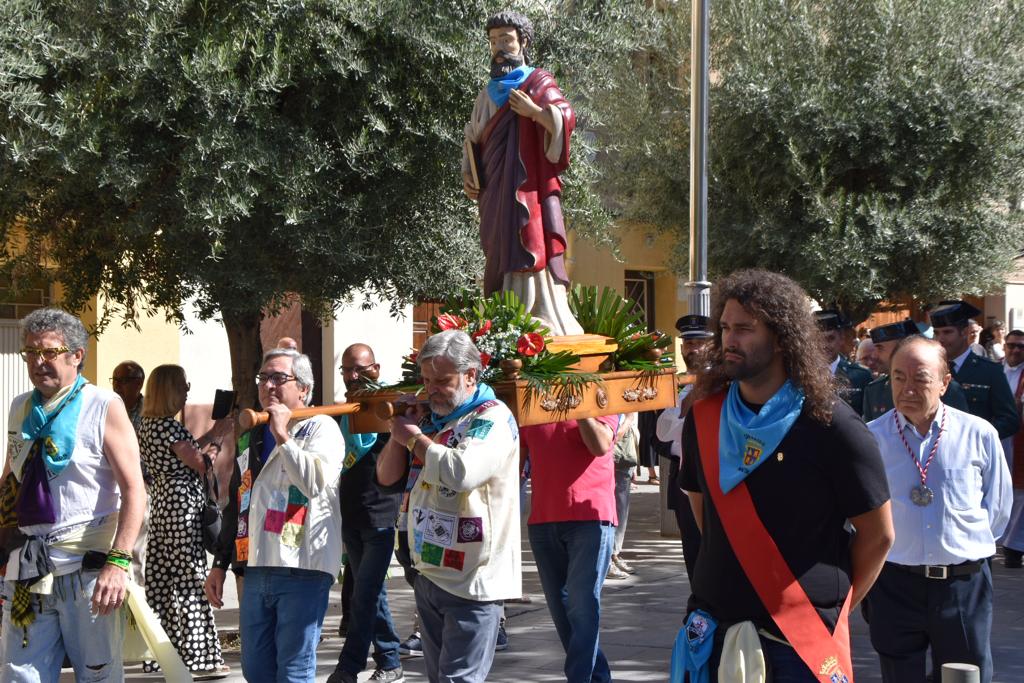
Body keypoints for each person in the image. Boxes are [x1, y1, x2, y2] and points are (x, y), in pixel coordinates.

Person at [677, 270, 893, 682]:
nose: (729, 340)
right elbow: (705, 515)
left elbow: (879, 534)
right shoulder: (702, 418)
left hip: (800, 643)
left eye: (744, 329)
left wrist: (831, 612)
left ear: (780, 337)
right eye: (724, 327)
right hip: (715, 629)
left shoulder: (833, 425)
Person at [1, 308, 146, 681]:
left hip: (89, 573)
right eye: (30, 352)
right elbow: (10, 483)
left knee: (97, 675)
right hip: (28, 570)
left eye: (48, 352)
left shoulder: (103, 406)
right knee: (20, 674)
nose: (37, 361)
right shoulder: (20, 408)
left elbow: (135, 491)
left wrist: (118, 562)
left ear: (76, 355)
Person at [376, 330, 521, 683]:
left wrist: (412, 436)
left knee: (459, 679)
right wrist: (401, 434)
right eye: (426, 380)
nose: (431, 389)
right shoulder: (432, 421)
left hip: (473, 578)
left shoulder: (491, 417)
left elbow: (461, 472)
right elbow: (385, 476)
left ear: (471, 375)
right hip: (429, 569)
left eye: (442, 380)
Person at [865, 335, 1011, 683]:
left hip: (962, 586)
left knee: (966, 675)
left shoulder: (978, 434)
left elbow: (998, 509)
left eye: (921, 378)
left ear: (945, 383)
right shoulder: (872, 438)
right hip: (895, 584)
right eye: (899, 377)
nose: (907, 388)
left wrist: (958, 544)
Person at [204, 348, 344, 683]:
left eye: (279, 378)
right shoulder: (254, 434)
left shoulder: (322, 428)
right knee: (257, 670)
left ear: (304, 389)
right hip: (256, 567)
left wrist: (284, 436)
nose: (268, 385)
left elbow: (312, 482)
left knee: (293, 670)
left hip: (302, 568)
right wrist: (221, 564)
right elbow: (240, 501)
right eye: (263, 378)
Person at [461, 10, 583, 335]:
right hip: (495, 189)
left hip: (529, 185)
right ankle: (504, 316)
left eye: (506, 40)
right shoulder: (487, 94)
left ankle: (539, 311)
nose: (499, 48)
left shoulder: (538, 81)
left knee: (529, 236)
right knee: (498, 244)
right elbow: (474, 137)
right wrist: (469, 173)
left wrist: (535, 112)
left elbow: (565, 116)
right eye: (494, 41)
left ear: (523, 42)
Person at [139, 364, 229, 677]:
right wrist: (220, 436)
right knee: (191, 580)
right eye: (184, 385)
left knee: (162, 583)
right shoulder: (169, 426)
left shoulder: (150, 424)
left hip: (162, 506)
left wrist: (210, 434)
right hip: (182, 508)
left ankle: (164, 656)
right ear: (170, 390)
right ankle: (202, 659)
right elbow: (201, 462)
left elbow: (187, 448)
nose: (188, 390)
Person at [520, 408, 620, 682]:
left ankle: (580, 678)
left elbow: (600, 445)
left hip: (590, 518)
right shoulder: (532, 403)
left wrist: (581, 409)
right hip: (542, 519)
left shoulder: (602, 401)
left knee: (582, 606)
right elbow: (515, 463)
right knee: (562, 611)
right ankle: (596, 676)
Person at [327, 344, 404, 683]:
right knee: (372, 593)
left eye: (358, 369)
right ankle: (389, 660)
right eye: (346, 370)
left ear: (376, 368)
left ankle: (349, 666)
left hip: (382, 519)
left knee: (364, 594)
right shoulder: (341, 413)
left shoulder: (392, 411)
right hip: (351, 517)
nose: (352, 376)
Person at [657, 314, 713, 582]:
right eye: (688, 343)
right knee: (693, 553)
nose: (693, 349)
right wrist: (692, 396)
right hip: (685, 480)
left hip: (718, 480)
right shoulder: (679, 386)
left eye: (700, 343)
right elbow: (663, 431)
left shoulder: (729, 382)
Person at [931, 300, 1019, 440]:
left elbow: (1009, 421)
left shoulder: (990, 371)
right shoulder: (930, 369)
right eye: (936, 333)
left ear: (965, 332)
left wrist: (975, 437)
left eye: (947, 332)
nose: (940, 338)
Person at [862, 319, 968, 422]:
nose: (874, 355)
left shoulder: (946, 388)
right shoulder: (874, 390)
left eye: (880, 348)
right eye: (899, 379)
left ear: (904, 348)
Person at [815, 309, 872, 416]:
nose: (824, 345)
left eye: (830, 338)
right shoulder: (801, 376)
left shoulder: (861, 376)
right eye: (818, 340)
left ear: (841, 338)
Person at [999, 329, 1024, 568]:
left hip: (1019, 438)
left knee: (1019, 493)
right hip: (997, 435)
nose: (1016, 350)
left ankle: (1013, 546)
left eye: (1021, 347)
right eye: (1012, 345)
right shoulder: (995, 369)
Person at [607, 412, 639, 580]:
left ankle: (614, 554)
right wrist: (628, 419)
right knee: (610, 507)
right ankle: (608, 558)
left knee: (621, 506)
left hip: (624, 450)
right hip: (610, 448)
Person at [111, 361, 145, 433]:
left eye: (123, 380)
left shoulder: (150, 411)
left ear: (139, 383)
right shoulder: (107, 408)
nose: (116, 385)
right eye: (115, 380)